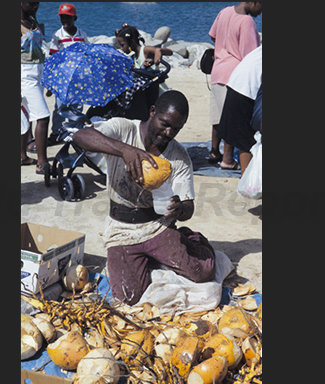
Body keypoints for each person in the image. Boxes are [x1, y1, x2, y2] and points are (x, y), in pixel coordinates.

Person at [71, 91, 216, 305]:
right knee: (128, 298)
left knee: (203, 272)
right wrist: (125, 150)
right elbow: (80, 136)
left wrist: (180, 210)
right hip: (121, 229)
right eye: (164, 123)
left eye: (176, 129)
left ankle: (192, 239)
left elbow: (188, 206)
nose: (168, 132)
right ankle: (149, 258)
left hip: (157, 226)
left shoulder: (179, 156)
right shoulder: (123, 129)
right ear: (152, 112)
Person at [207, 2, 262, 169]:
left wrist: (224, 47)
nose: (261, 12)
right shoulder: (246, 22)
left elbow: (213, 35)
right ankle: (228, 159)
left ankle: (214, 151)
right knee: (232, 120)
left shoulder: (224, 11)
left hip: (217, 69)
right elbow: (250, 55)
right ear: (254, 2)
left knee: (217, 118)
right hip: (234, 74)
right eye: (262, 7)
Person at [46, 4, 89, 145]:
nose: (64, 20)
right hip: (62, 77)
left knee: (76, 107)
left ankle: (74, 133)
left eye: (68, 17)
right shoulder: (57, 35)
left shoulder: (82, 35)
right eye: (62, 17)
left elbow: (87, 53)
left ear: (75, 18)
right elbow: (53, 59)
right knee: (60, 107)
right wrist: (51, 83)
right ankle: (56, 132)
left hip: (78, 76)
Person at [217, 45, 262, 177]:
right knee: (246, 139)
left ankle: (245, 176)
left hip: (238, 83)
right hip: (246, 89)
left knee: (241, 136)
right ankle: (246, 179)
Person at [21, 2, 52, 176]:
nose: (35, 5)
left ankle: (22, 156)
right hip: (25, 74)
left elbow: (40, 47)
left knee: (25, 116)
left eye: (37, 2)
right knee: (43, 116)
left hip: (38, 71)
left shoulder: (33, 20)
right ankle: (42, 163)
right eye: (31, 2)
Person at [116, 24, 173, 103]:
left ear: (131, 42)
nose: (121, 49)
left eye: (122, 45)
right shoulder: (134, 56)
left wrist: (158, 51)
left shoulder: (145, 50)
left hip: (157, 90)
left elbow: (170, 52)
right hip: (146, 92)